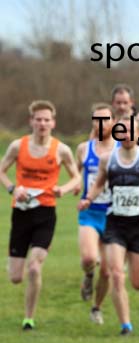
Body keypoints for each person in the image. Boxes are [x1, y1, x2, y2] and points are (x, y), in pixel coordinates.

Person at [78, 117, 139, 335]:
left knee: (138, 283)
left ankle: (130, 269)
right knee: (116, 274)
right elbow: (99, 183)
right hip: (115, 224)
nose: (126, 135)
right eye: (122, 131)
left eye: (131, 131)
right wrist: (88, 198)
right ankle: (125, 325)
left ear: (138, 133)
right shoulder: (108, 159)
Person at [0, 100, 80, 330]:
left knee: (34, 267)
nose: (42, 123)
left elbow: (75, 177)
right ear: (31, 121)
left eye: (46, 119)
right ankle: (16, 265)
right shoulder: (18, 146)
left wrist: (62, 190)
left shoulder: (61, 149)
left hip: (45, 213)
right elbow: (2, 170)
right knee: (16, 277)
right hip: (21, 213)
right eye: (38, 119)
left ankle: (28, 318)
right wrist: (13, 189)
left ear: (53, 123)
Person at [75, 103, 117, 323]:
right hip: (89, 212)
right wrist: (73, 187)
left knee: (108, 272)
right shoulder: (84, 148)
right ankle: (88, 275)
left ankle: (96, 308)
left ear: (113, 122)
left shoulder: (122, 148)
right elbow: (76, 173)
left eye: (105, 119)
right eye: (96, 120)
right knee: (90, 257)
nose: (101, 124)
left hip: (114, 214)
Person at [110, 84, 139, 153]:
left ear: (132, 102)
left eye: (125, 103)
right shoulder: (107, 120)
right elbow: (93, 143)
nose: (122, 106)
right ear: (112, 103)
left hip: (136, 160)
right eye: (118, 103)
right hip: (114, 160)